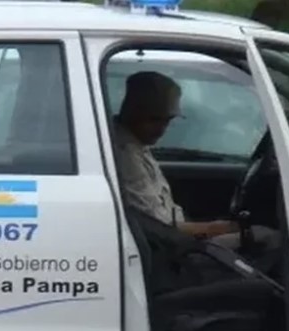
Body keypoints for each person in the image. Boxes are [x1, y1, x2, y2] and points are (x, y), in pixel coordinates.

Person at [112, 70, 279, 256]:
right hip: (172, 251)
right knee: (269, 238)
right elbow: (163, 229)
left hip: (174, 239)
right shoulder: (126, 156)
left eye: (168, 120)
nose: (162, 129)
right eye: (154, 119)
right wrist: (217, 228)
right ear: (133, 109)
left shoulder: (135, 144)